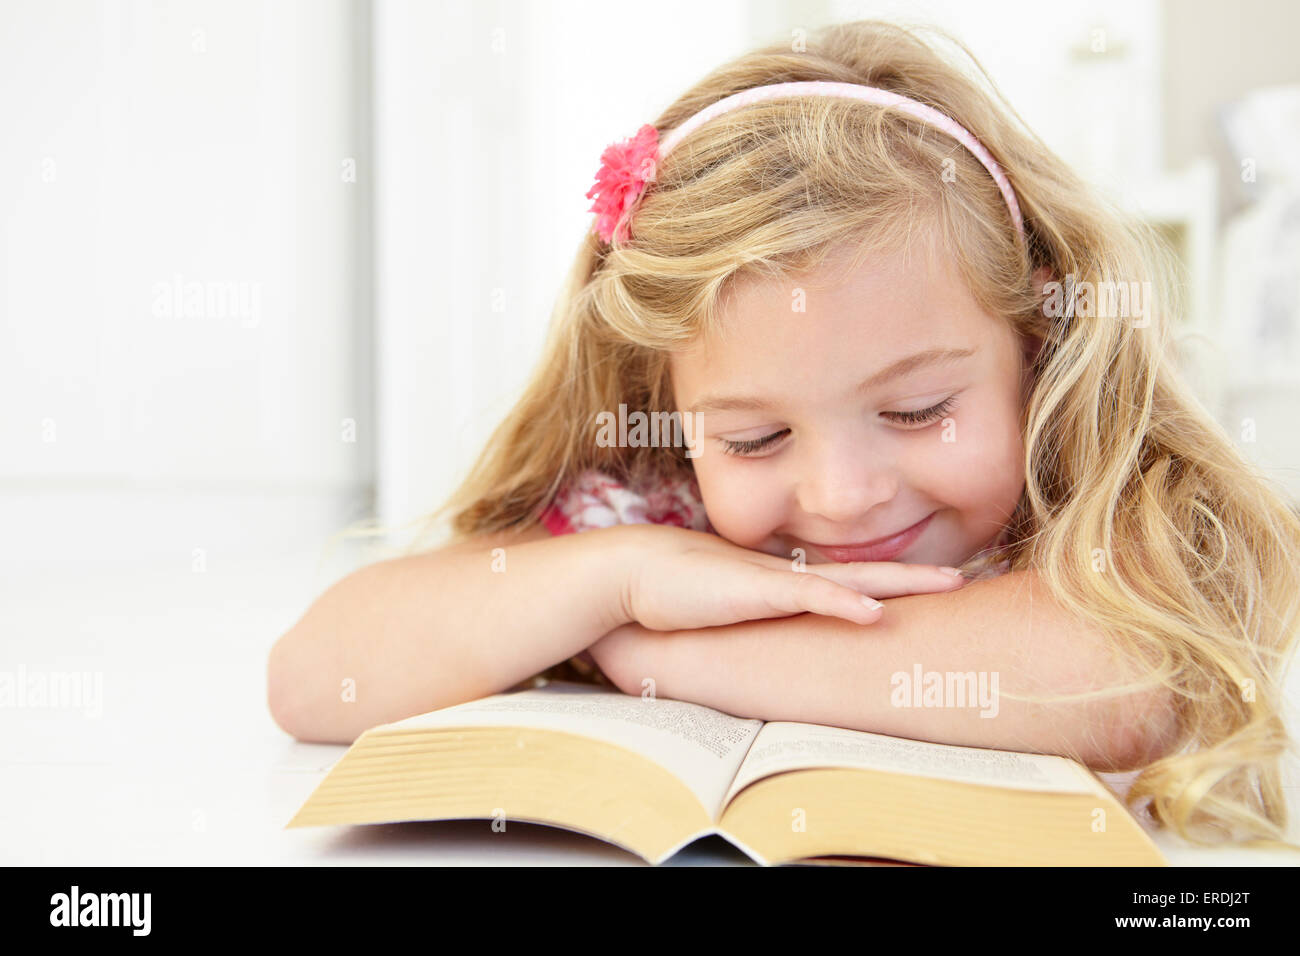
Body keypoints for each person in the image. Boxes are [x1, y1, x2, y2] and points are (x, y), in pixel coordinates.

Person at [268, 19, 1300, 850]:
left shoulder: (1091, 481)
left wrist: (669, 659)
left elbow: (1128, 679)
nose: (843, 493)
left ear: (1038, 331)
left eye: (915, 410)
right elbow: (315, 674)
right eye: (756, 437)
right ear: (665, 399)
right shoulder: (652, 495)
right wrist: (622, 576)